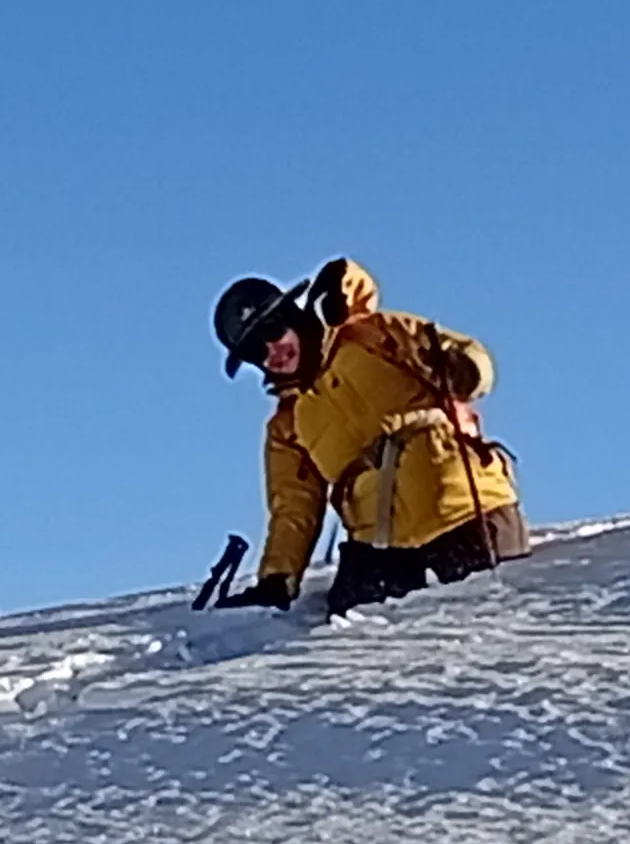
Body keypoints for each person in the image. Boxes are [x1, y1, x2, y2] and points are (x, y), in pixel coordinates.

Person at [205, 261, 527, 614]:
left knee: (495, 625)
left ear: (291, 316)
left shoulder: (370, 335)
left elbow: (467, 359)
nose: (272, 351)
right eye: (256, 351)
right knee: (353, 645)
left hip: (466, 508)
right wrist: (276, 579)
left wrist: (465, 369)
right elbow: (293, 507)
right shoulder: (286, 426)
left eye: (272, 330)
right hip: (380, 544)